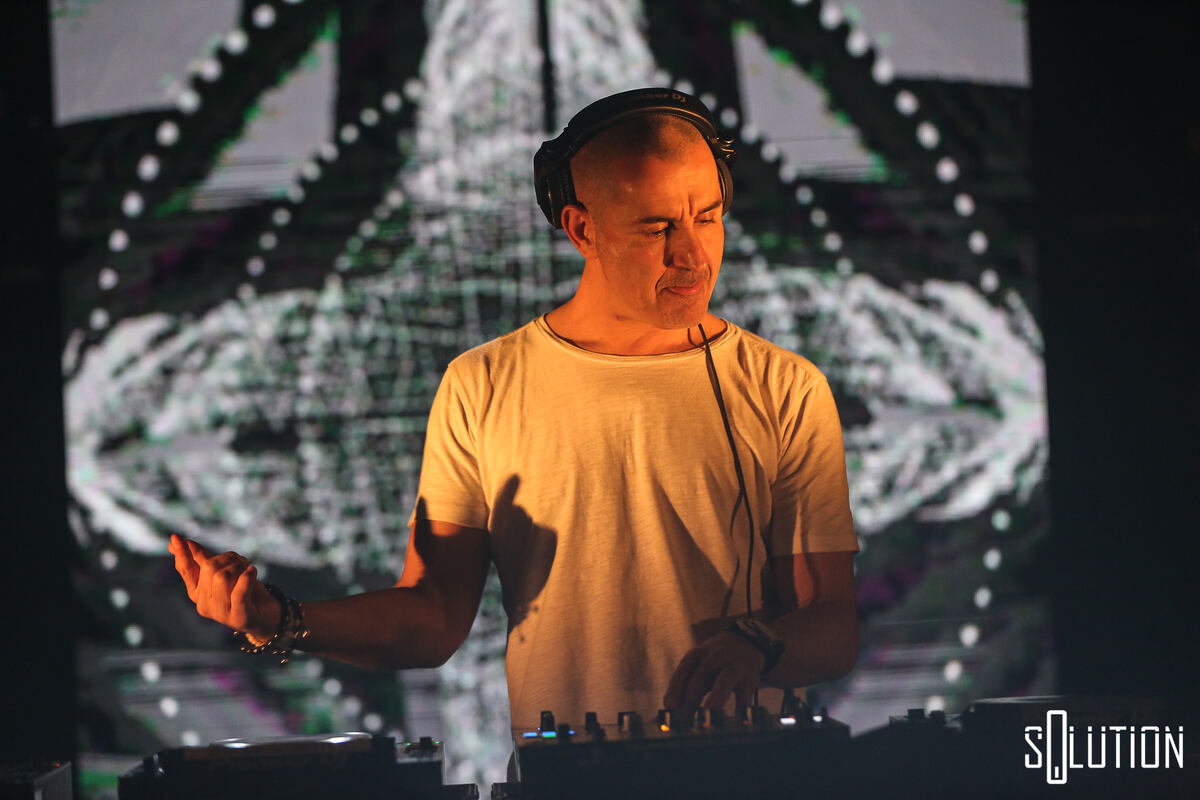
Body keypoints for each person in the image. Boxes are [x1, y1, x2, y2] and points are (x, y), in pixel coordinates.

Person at [169, 88, 859, 734]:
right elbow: (432, 619)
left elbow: (832, 626)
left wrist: (757, 646)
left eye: (707, 217)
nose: (693, 254)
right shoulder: (482, 385)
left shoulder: (784, 388)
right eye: (656, 229)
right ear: (581, 228)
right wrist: (279, 619)